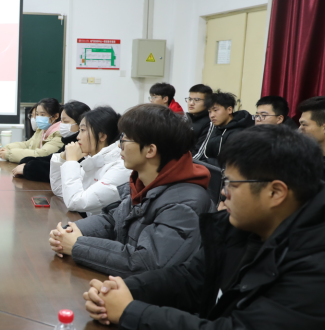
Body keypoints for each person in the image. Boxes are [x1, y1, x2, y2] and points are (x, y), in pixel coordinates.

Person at [83, 126, 325, 330]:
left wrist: (130, 312)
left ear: (275, 192)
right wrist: (126, 290)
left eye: (233, 184)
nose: (223, 192)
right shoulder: (248, 226)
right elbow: (190, 278)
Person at [48, 104, 214, 275]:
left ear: (150, 150)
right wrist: (71, 230)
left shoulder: (183, 204)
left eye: (126, 139)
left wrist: (77, 245)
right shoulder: (144, 182)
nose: (120, 146)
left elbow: (146, 262)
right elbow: (114, 221)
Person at [49, 107, 130, 215]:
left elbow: (76, 202)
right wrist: (62, 158)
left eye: (83, 130)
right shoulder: (96, 159)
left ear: (102, 136)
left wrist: (71, 162)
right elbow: (60, 190)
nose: (78, 137)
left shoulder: (121, 167)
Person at [12, 101, 90, 182]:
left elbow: (59, 172)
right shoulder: (69, 141)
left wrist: (27, 168)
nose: (61, 125)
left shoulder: (82, 146)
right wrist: (26, 161)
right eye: (61, 121)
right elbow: (51, 158)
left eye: (66, 122)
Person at [194, 91, 253, 167]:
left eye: (215, 110)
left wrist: (206, 162)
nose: (212, 115)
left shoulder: (239, 133)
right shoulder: (215, 128)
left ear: (229, 110)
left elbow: (231, 164)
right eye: (209, 112)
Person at [0, 98, 62, 163]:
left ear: (55, 116)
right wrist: (7, 148)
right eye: (37, 114)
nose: (38, 117)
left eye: (42, 115)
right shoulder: (42, 130)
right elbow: (27, 145)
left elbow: (40, 154)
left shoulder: (59, 134)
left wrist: (8, 154)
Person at [185, 84, 212, 154]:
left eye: (197, 100)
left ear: (208, 102)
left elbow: (198, 152)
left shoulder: (210, 123)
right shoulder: (185, 119)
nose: (191, 103)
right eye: (190, 99)